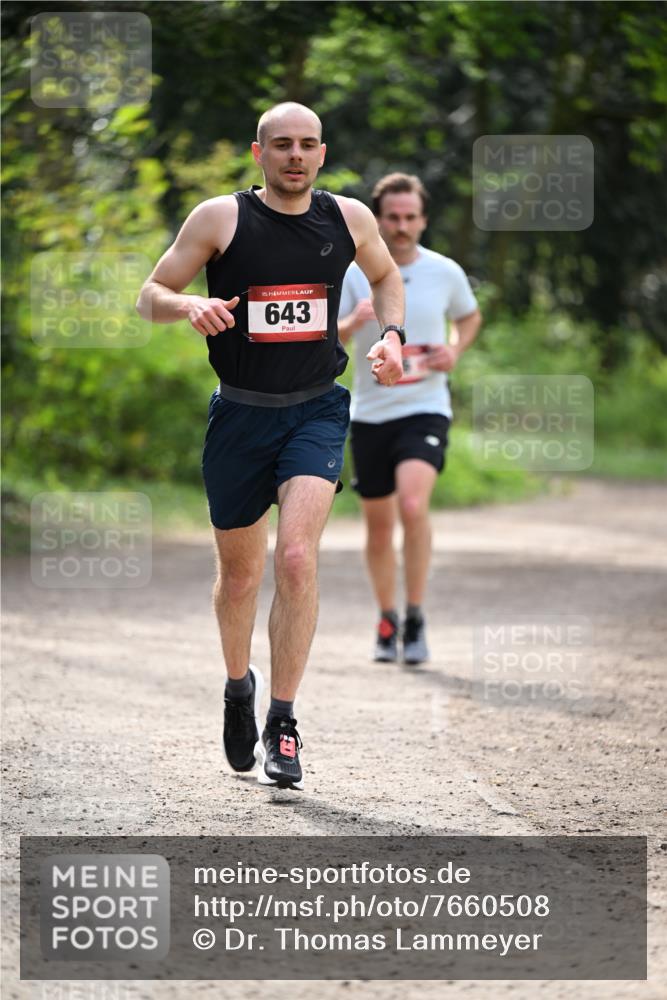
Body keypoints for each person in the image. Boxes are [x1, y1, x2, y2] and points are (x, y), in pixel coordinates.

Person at [136, 103, 404, 791]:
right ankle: (237, 687)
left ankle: (282, 721)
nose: (295, 155)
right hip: (239, 417)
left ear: (322, 153)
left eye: (307, 145)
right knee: (241, 578)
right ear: (258, 152)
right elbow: (150, 293)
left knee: (293, 557)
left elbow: (386, 277)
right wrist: (187, 306)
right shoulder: (219, 218)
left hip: (315, 409)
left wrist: (392, 337)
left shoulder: (349, 218)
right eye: (281, 144)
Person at [338, 173, 482, 665]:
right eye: (392, 218)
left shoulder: (445, 271)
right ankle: (387, 617)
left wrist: (455, 350)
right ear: (378, 220)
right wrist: (351, 324)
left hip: (425, 407)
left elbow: (469, 316)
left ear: (423, 220)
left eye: (410, 217)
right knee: (379, 529)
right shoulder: (354, 272)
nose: (401, 227)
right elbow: (326, 339)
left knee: (414, 505)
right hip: (371, 413)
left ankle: (416, 614)